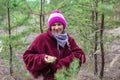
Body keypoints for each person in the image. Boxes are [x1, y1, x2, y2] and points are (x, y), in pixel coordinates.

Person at [23, 9, 86, 80]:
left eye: (59, 24)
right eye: (53, 25)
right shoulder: (42, 38)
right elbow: (27, 56)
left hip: (64, 77)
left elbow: (80, 55)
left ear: (63, 25)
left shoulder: (69, 40)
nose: (56, 28)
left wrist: (61, 64)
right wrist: (43, 58)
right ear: (50, 26)